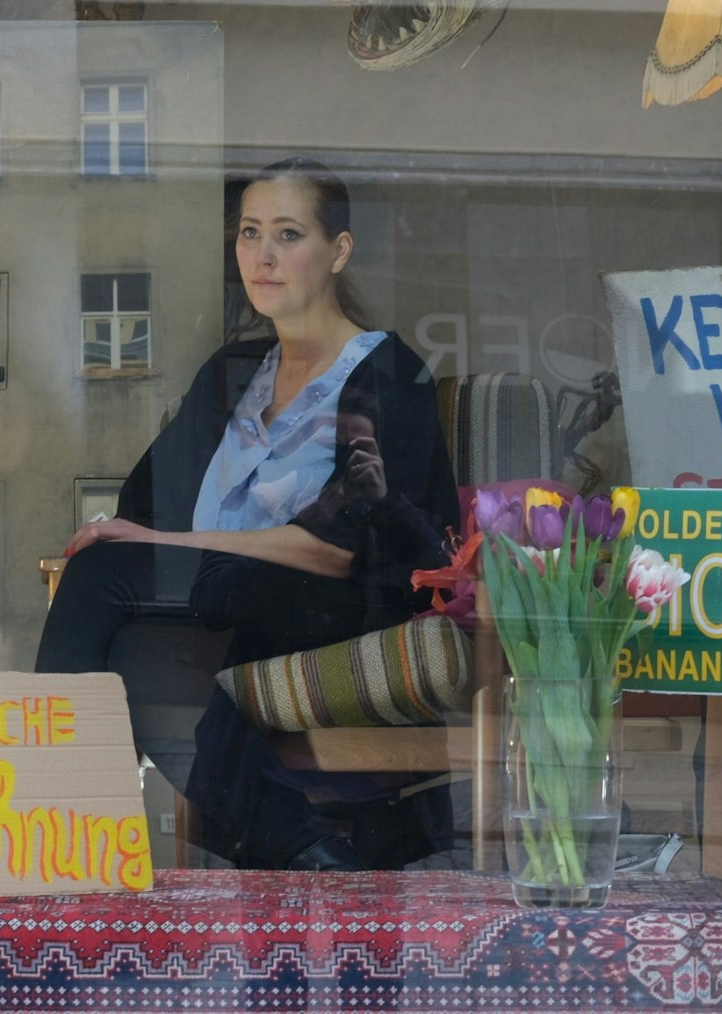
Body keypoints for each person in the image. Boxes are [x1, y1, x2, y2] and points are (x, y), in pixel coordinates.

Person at [35, 157, 457, 871]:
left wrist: (165, 546)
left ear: (338, 251)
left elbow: (347, 548)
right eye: (250, 233)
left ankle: (51, 824)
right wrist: (158, 544)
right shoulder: (234, 373)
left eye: (288, 235)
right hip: (219, 617)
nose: (262, 256)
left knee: (107, 576)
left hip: (334, 607)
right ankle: (309, 848)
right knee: (134, 646)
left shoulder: (384, 371)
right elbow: (150, 504)